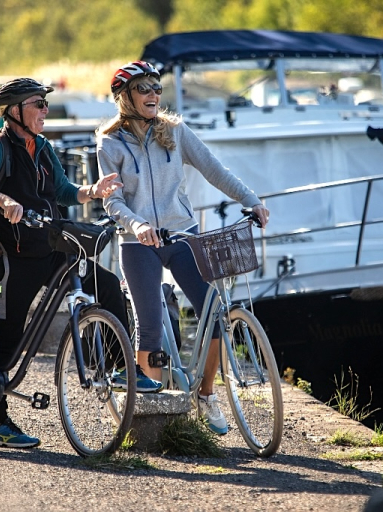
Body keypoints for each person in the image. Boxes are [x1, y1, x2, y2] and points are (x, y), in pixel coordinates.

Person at [0, 78, 161, 449]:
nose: (45, 111)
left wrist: (93, 192)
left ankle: (116, 367)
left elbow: (65, 192)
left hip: (50, 246)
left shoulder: (43, 148)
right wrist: (3, 201)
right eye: (38, 105)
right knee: (7, 341)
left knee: (108, 285)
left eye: (45, 104)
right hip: (14, 256)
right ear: (15, 111)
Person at [96, 62, 270, 434]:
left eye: (157, 88)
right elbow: (112, 202)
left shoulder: (174, 132)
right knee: (150, 326)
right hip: (138, 242)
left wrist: (251, 198)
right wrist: (137, 224)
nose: (153, 95)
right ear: (125, 98)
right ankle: (153, 417)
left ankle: (206, 394)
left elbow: (215, 169)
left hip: (182, 234)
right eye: (144, 89)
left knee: (214, 311)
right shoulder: (110, 143)